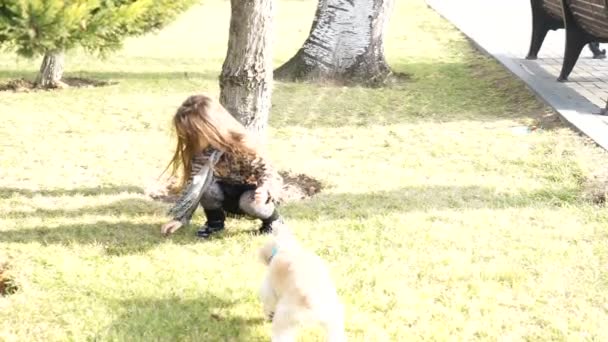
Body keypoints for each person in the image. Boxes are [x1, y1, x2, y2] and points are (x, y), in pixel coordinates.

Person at [160, 94, 283, 238]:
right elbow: (194, 185)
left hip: (250, 194)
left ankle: (273, 221)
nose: (189, 138)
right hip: (223, 193)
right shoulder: (202, 152)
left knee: (249, 202)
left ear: (210, 127)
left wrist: (264, 189)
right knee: (205, 187)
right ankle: (215, 222)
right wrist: (180, 218)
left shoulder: (243, 143)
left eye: (193, 133)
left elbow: (267, 170)